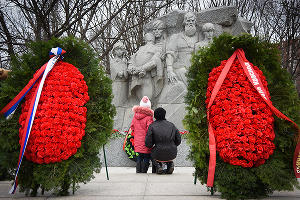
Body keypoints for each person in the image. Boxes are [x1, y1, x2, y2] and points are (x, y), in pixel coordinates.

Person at [145, 107, 181, 174]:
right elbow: (178, 140)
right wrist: (172, 145)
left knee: (152, 154)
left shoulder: (152, 126)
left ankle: (158, 166)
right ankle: (170, 163)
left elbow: (148, 143)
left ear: (155, 116)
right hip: (172, 152)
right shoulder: (172, 125)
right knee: (164, 153)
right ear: (164, 115)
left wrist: (153, 144)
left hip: (158, 152)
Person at [166, 12, 198, 85]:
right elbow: (170, 53)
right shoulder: (176, 37)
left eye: (192, 21)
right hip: (180, 68)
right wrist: (170, 70)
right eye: (188, 21)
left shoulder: (199, 36)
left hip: (196, 68)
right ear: (184, 22)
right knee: (184, 73)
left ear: (195, 22)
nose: (191, 23)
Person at [128, 33, 162, 101]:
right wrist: (131, 68)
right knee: (140, 102)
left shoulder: (157, 49)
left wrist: (141, 68)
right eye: (147, 40)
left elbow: (154, 62)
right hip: (136, 79)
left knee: (146, 100)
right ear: (145, 40)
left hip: (147, 77)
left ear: (153, 40)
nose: (149, 41)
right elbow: (132, 60)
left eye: (150, 40)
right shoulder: (140, 49)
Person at [130, 96, 154, 173]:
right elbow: (149, 129)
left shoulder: (135, 116)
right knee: (146, 155)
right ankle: (144, 170)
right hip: (145, 140)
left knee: (140, 155)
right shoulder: (149, 117)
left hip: (137, 140)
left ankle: (138, 170)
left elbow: (132, 127)